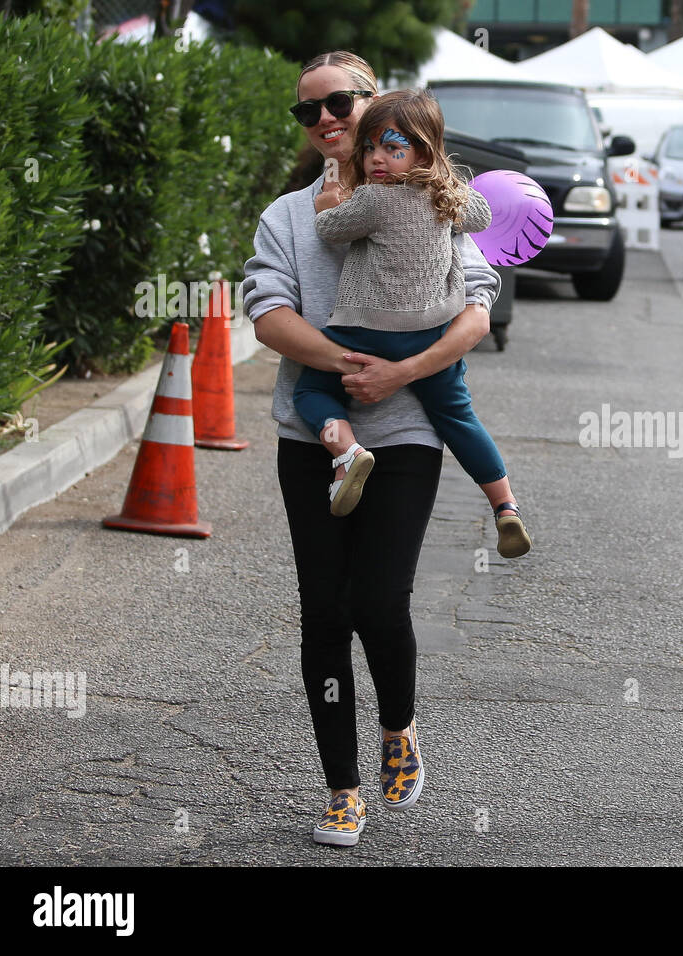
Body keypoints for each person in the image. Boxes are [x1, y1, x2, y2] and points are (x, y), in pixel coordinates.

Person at [241, 51, 502, 847]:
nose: (324, 118)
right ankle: (342, 789)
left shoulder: (430, 195)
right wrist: (353, 367)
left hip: (409, 432)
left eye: (339, 102)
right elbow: (268, 316)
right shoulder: (288, 217)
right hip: (312, 437)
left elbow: (477, 309)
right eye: (307, 110)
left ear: (374, 107)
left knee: (379, 601)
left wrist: (405, 373)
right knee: (324, 614)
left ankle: (398, 727)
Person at [292, 88, 531, 559]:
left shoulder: (375, 199)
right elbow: (481, 215)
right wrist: (447, 183)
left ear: (421, 149)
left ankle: (348, 453)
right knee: (457, 416)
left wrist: (327, 205)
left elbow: (330, 230)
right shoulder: (447, 197)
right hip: (430, 333)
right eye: (370, 148)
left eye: (393, 148)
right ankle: (504, 504)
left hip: (365, 329)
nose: (378, 159)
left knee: (312, 392)